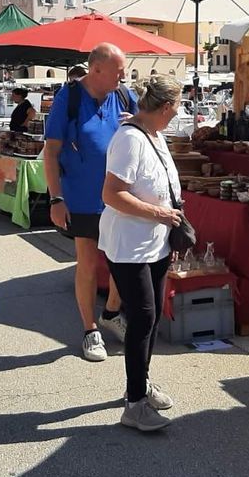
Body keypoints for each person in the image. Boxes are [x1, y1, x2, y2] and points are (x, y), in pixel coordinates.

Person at [100, 74, 184, 432]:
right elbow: (112, 194)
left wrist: (170, 227)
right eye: (178, 105)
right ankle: (134, 403)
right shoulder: (130, 140)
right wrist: (160, 214)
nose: (179, 111)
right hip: (130, 246)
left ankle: (141, 383)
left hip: (156, 243)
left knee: (149, 320)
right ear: (165, 108)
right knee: (143, 320)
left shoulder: (153, 134)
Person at [44, 43, 136, 362]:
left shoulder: (125, 97)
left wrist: (137, 127)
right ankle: (90, 329)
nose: (124, 76)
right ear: (97, 70)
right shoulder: (68, 99)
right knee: (87, 262)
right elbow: (51, 152)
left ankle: (112, 311)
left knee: (122, 262)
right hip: (82, 197)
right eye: (119, 71)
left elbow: (151, 133)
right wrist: (56, 198)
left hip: (122, 196)